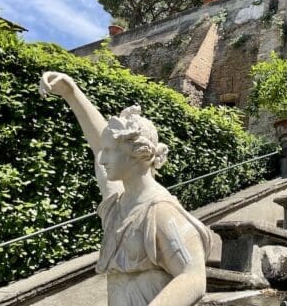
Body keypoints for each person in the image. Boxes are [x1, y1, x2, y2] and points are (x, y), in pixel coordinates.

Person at [39, 71, 210, 306]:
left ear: (136, 154)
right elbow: (99, 144)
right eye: (105, 151)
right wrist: (71, 93)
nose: (102, 159)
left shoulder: (161, 211)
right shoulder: (117, 204)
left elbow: (193, 276)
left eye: (110, 152)